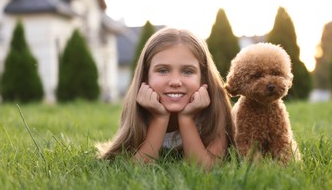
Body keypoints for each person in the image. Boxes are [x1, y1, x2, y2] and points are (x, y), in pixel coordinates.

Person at [96, 27, 233, 169]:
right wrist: (159, 118)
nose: (175, 82)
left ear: (203, 77)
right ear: (145, 76)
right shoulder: (138, 108)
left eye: (187, 71)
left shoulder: (215, 106)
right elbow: (136, 170)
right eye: (163, 70)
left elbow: (207, 169)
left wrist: (186, 119)